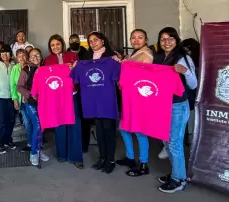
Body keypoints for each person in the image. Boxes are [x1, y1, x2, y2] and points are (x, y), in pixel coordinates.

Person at [153, 27, 197, 193]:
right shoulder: (158, 57)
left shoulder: (183, 58)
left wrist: (185, 72)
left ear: (176, 40)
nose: (166, 42)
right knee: (166, 141)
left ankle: (179, 180)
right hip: (162, 105)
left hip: (177, 106)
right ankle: (175, 173)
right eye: (163, 39)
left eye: (170, 39)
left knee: (174, 143)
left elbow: (194, 85)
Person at [115, 29, 153, 176]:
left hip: (139, 98)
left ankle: (144, 164)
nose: (136, 40)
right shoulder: (133, 54)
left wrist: (125, 64)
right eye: (133, 38)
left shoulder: (146, 54)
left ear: (146, 39)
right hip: (127, 96)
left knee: (140, 131)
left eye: (140, 37)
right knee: (123, 127)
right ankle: (130, 157)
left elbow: (144, 77)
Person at [81, 32, 119, 174]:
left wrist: (118, 61)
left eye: (95, 40)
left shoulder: (111, 56)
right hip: (93, 101)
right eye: (90, 41)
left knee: (109, 130)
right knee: (100, 131)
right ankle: (102, 157)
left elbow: (119, 74)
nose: (93, 43)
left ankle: (110, 160)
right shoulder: (86, 57)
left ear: (103, 41)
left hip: (108, 100)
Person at [44, 34, 83, 169]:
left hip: (72, 94)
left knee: (74, 124)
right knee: (59, 124)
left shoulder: (72, 56)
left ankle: (76, 157)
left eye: (58, 44)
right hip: (57, 97)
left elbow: (79, 75)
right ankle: (62, 154)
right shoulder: (48, 60)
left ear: (62, 44)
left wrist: (73, 69)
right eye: (52, 45)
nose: (55, 47)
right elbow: (46, 78)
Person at [18, 48, 49, 165]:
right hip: (31, 102)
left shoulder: (45, 69)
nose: (34, 57)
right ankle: (33, 153)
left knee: (42, 126)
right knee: (38, 125)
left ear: (41, 57)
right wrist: (31, 95)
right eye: (32, 56)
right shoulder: (26, 70)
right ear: (29, 58)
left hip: (44, 103)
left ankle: (38, 151)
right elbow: (19, 87)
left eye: (37, 55)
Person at [67, 34, 92, 153]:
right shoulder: (66, 53)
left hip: (85, 88)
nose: (74, 42)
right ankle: (72, 142)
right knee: (72, 117)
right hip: (70, 89)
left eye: (76, 40)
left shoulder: (86, 53)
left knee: (84, 118)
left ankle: (84, 145)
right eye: (72, 40)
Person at [10, 49, 32, 152]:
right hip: (21, 100)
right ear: (16, 58)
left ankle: (37, 142)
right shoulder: (15, 68)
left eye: (23, 55)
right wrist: (15, 99)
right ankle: (30, 143)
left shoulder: (31, 67)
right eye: (19, 56)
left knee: (35, 121)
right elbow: (13, 86)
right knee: (27, 121)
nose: (22, 58)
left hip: (32, 99)